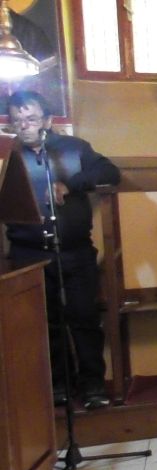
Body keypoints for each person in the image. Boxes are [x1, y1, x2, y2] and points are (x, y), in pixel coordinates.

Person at [6, 90, 120, 410]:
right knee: (45, 323)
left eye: (31, 118)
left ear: (46, 120)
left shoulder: (73, 148)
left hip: (75, 249)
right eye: (17, 120)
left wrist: (71, 184)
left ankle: (93, 384)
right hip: (28, 253)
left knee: (84, 317)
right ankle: (59, 384)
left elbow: (110, 172)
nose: (24, 126)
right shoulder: (7, 156)